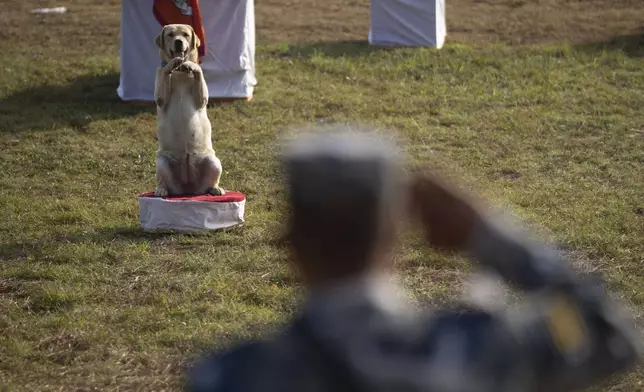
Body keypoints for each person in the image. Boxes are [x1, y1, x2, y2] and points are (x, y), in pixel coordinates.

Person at [187, 128, 640, 392]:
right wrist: (489, 233)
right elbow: (612, 335)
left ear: (290, 241)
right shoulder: (477, 349)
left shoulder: (230, 375)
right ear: (396, 235)